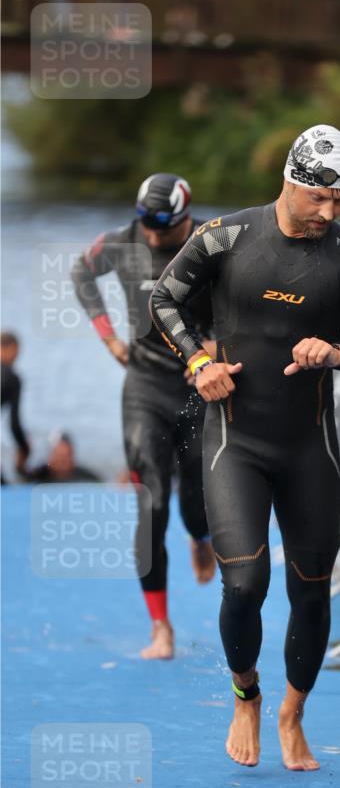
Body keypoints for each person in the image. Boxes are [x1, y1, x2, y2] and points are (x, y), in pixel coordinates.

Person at [151, 125, 340, 771]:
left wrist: (339, 352)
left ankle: (293, 711)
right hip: (235, 441)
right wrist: (197, 362)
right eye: (318, 198)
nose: (328, 213)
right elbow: (165, 300)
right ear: (291, 181)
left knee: (311, 589)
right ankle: (247, 697)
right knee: (244, 585)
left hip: (308, 448)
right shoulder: (225, 237)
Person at [71, 173, 216, 661]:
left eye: (163, 229)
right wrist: (109, 338)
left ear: (185, 217)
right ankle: (161, 628)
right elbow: (80, 273)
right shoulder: (124, 241)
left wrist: (221, 346)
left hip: (198, 385)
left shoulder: (209, 244)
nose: (153, 238)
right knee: (150, 503)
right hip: (144, 385)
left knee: (196, 500)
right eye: (147, 227)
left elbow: (248, 303)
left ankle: (201, 537)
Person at [1, 332, 30, 481]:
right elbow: (14, 425)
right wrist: (25, 449)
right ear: (10, 348)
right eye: (16, 352)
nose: (16, 357)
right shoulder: (12, 379)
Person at [25, 432, 101, 484]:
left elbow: (102, 485)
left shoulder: (84, 476)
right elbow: (22, 475)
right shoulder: (40, 474)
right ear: (50, 457)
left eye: (67, 457)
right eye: (59, 457)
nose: (63, 462)